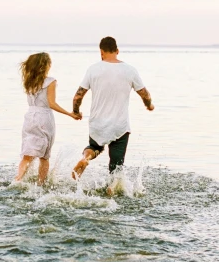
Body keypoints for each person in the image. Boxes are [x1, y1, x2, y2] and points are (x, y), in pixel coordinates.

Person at [71, 36, 154, 180]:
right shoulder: (130, 70)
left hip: (98, 123)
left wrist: (76, 112)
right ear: (117, 51)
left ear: (101, 52)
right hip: (119, 126)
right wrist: (149, 105)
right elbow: (144, 94)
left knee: (95, 148)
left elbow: (78, 96)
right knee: (116, 165)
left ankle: (85, 159)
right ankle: (112, 187)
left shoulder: (93, 69)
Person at [15, 52, 82, 185]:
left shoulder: (29, 82)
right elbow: (52, 104)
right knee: (44, 156)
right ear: (45, 65)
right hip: (44, 118)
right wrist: (70, 114)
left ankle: (18, 179)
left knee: (27, 154)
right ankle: (41, 183)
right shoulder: (50, 82)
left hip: (29, 118)